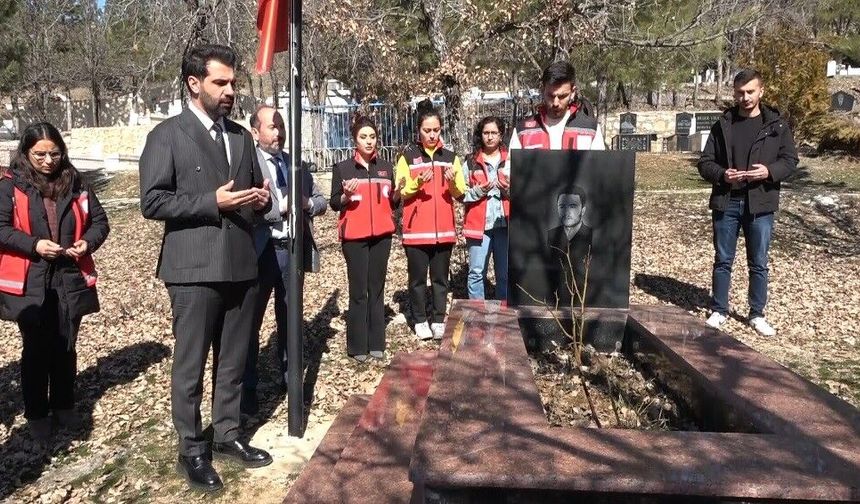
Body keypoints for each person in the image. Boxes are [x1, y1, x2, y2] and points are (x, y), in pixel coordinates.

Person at [139, 44, 272, 492]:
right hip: (193, 268)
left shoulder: (240, 136)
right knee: (191, 364)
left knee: (234, 360)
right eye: (221, 82)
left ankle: (228, 434)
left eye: (233, 82)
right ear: (194, 83)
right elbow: (152, 201)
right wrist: (209, 201)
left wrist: (262, 200)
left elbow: (251, 192)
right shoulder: (168, 135)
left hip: (241, 263)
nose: (231, 90)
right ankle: (191, 448)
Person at [0, 122, 109, 441]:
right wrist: (33, 244)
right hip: (30, 278)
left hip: (69, 275)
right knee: (36, 347)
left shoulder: (76, 182)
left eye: (55, 153)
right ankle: (36, 412)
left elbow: (100, 222)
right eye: (40, 155)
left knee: (66, 344)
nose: (48, 161)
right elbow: (1, 228)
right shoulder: (10, 186)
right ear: (26, 152)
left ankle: (64, 404)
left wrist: (87, 243)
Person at [698, 68, 798, 336]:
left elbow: (790, 161)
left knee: (759, 261)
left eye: (750, 92)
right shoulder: (723, 124)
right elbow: (705, 162)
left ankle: (757, 314)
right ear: (734, 93)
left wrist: (769, 172)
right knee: (723, 259)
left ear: (761, 91)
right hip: (726, 201)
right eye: (740, 93)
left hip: (760, 203)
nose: (745, 97)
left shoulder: (777, 125)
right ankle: (719, 309)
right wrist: (722, 175)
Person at [242, 105, 326, 415]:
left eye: (281, 125)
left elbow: (320, 201)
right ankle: (246, 390)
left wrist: (304, 203)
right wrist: (280, 209)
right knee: (250, 323)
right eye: (271, 126)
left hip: (292, 252)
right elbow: (244, 209)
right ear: (255, 132)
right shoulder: (247, 165)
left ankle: (291, 381)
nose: (278, 132)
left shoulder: (297, 165)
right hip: (260, 252)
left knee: (291, 318)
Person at [330, 116, 399, 361]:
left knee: (377, 288)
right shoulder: (343, 168)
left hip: (382, 236)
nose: (369, 142)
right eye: (363, 137)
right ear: (355, 140)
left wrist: (399, 193)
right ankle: (358, 345)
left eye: (372, 137)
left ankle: (376, 341)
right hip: (355, 238)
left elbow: (393, 201)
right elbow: (334, 203)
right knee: (358, 290)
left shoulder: (387, 167)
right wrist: (346, 196)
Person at [396, 104, 466, 340]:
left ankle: (438, 318)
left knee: (440, 279)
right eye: (427, 130)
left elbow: (460, 193)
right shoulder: (408, 157)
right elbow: (401, 191)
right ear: (419, 131)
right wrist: (417, 183)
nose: (432, 134)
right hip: (416, 232)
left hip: (444, 231)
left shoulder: (450, 157)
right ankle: (419, 320)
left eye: (436, 129)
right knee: (417, 281)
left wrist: (453, 182)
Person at [462, 116, 510, 300]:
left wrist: (507, 190)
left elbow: (522, 193)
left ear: (501, 135)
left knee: (504, 274)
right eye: (486, 133)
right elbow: (461, 194)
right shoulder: (471, 162)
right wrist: (477, 192)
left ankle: (504, 316)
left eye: (494, 133)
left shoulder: (510, 160)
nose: (489, 137)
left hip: (504, 225)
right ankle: (477, 316)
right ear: (480, 135)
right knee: (476, 273)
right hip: (478, 226)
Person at [509, 61, 605, 151]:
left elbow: (600, 167)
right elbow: (510, 168)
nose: (555, 103)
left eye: (562, 96)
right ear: (542, 91)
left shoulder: (591, 129)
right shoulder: (522, 130)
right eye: (551, 96)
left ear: (572, 92)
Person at [547, 189, 592, 304]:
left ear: (583, 210)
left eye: (573, 206)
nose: (567, 212)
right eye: (562, 206)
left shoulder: (591, 236)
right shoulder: (551, 235)